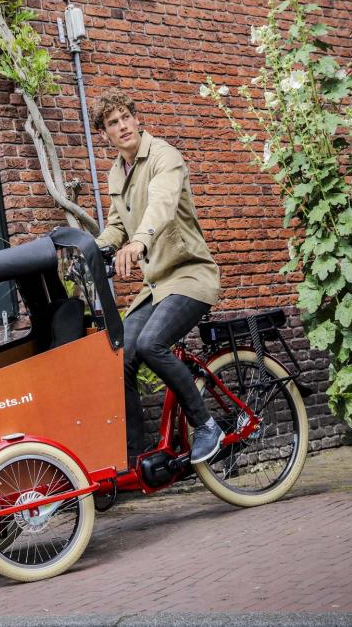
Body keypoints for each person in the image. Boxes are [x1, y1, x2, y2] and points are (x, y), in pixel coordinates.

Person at [90, 89, 223, 466]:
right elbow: (116, 225)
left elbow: (161, 204)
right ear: (106, 134)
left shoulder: (164, 156)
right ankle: (134, 459)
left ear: (136, 118)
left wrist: (139, 242)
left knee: (150, 345)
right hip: (156, 287)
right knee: (122, 357)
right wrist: (93, 251)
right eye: (113, 123)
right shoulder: (118, 171)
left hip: (189, 275)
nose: (123, 126)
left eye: (126, 117)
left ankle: (207, 426)